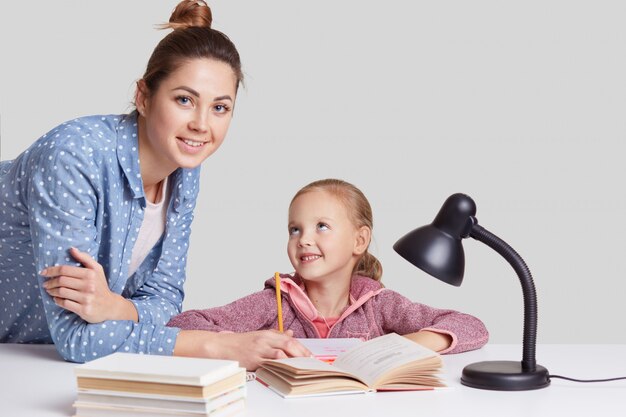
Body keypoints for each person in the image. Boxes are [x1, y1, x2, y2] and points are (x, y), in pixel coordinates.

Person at [0, 0, 309, 370]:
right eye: (184, 100)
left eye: (220, 107)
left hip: (30, 360)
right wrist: (215, 346)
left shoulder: (183, 168)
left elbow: (164, 300)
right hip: (22, 356)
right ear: (143, 97)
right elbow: (77, 337)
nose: (201, 124)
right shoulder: (73, 157)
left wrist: (117, 308)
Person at [167, 179, 489, 363]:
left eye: (322, 226)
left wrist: (409, 344)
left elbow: (471, 326)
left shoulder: (379, 305)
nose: (304, 239)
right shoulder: (274, 302)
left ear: (359, 240)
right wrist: (238, 343)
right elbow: (183, 324)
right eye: (295, 229)